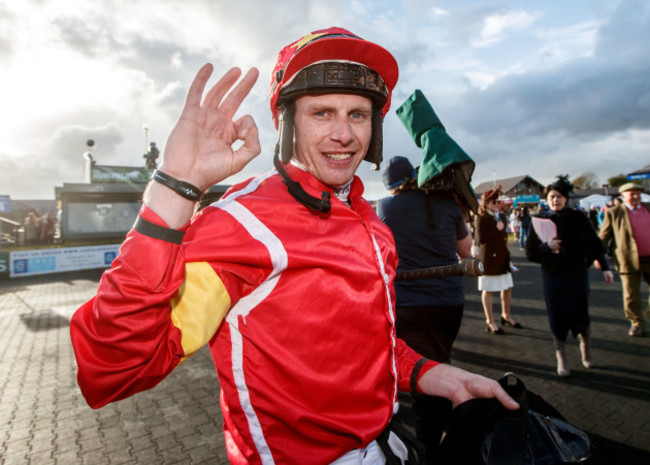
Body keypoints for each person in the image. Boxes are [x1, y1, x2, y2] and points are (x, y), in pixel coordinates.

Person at [69, 27, 518, 464]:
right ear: (286, 123)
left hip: (388, 446)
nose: (344, 134)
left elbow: (367, 353)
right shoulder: (241, 224)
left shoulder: (373, 224)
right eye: (322, 113)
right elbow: (112, 367)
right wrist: (174, 187)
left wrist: (439, 375)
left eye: (358, 115)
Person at [377, 156, 472, 463]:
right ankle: (449, 426)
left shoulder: (385, 207)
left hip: (410, 303)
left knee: (421, 373)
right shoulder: (446, 203)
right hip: (450, 301)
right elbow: (465, 250)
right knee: (440, 358)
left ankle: (432, 448)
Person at [526, 175, 614, 377]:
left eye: (558, 196)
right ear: (546, 200)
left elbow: (594, 244)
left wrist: (606, 266)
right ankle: (561, 356)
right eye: (551, 197)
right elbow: (530, 251)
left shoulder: (578, 217)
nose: (555, 200)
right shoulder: (539, 220)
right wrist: (546, 246)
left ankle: (586, 347)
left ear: (565, 198)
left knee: (581, 312)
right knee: (557, 316)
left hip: (577, 274)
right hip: (553, 276)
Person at [598, 182, 650, 337]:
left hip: (649, 258)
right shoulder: (614, 212)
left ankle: (648, 314)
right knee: (631, 294)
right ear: (623, 196)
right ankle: (636, 322)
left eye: (638, 193)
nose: (635, 196)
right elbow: (603, 236)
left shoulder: (648, 208)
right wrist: (598, 256)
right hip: (627, 259)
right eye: (631, 193)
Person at [475, 185, 520, 334]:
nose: (497, 205)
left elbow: (504, 238)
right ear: (486, 203)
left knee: (507, 287)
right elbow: (481, 239)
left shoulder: (500, 216)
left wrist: (508, 256)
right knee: (488, 290)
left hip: (502, 257)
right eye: (494, 202)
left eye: (497, 202)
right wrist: (496, 228)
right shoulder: (481, 217)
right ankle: (490, 321)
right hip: (488, 258)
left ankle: (505, 315)